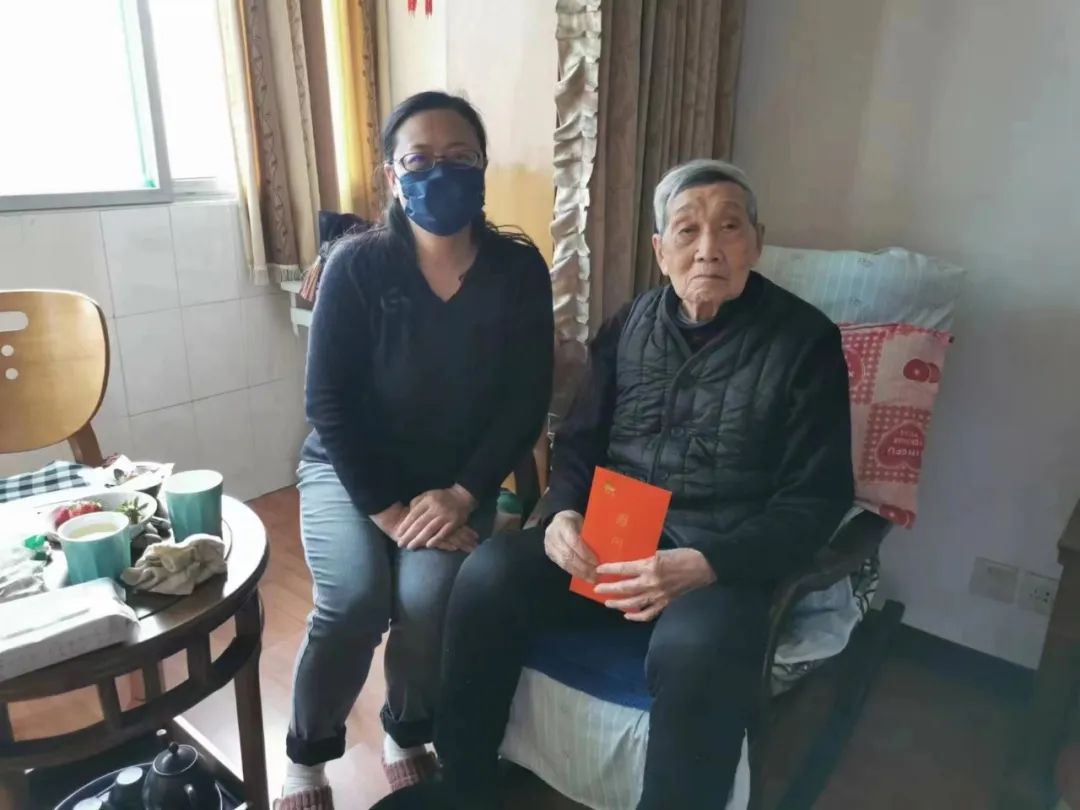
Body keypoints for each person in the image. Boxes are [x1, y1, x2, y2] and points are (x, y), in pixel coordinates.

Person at [428, 159, 855, 809]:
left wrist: (708, 562)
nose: (708, 249)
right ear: (660, 250)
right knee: (488, 574)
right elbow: (580, 443)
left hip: (717, 562)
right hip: (612, 541)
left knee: (699, 651)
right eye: (687, 230)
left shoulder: (806, 342)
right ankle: (464, 784)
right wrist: (563, 512)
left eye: (729, 227)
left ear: (756, 242)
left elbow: (816, 498)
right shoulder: (628, 325)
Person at [277, 91, 554, 810]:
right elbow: (327, 404)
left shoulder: (518, 269)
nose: (440, 173)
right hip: (350, 474)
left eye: (460, 157)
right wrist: (391, 514)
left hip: (452, 482)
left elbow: (525, 400)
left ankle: (407, 732)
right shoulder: (357, 265)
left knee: (432, 600)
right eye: (419, 160)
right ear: (391, 177)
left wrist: (464, 493)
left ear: (483, 168)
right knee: (353, 603)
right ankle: (307, 756)